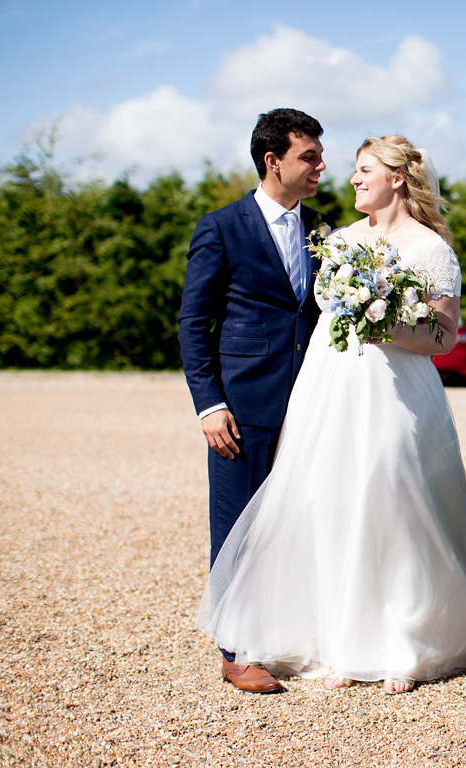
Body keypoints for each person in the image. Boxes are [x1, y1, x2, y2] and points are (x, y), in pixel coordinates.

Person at [196, 135, 466, 695]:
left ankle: (404, 643)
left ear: (396, 178)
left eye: (365, 170)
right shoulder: (337, 240)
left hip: (397, 391)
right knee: (330, 501)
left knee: (393, 494)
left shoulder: (430, 249)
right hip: (331, 386)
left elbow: (441, 336)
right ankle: (341, 641)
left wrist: (382, 320)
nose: (353, 179)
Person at [180, 108, 325, 693]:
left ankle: (290, 631)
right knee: (236, 522)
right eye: (309, 157)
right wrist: (209, 405)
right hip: (242, 405)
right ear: (273, 161)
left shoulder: (325, 229)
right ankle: (236, 651)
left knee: (299, 521)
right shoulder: (220, 227)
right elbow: (194, 321)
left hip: (313, 400)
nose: (320, 166)